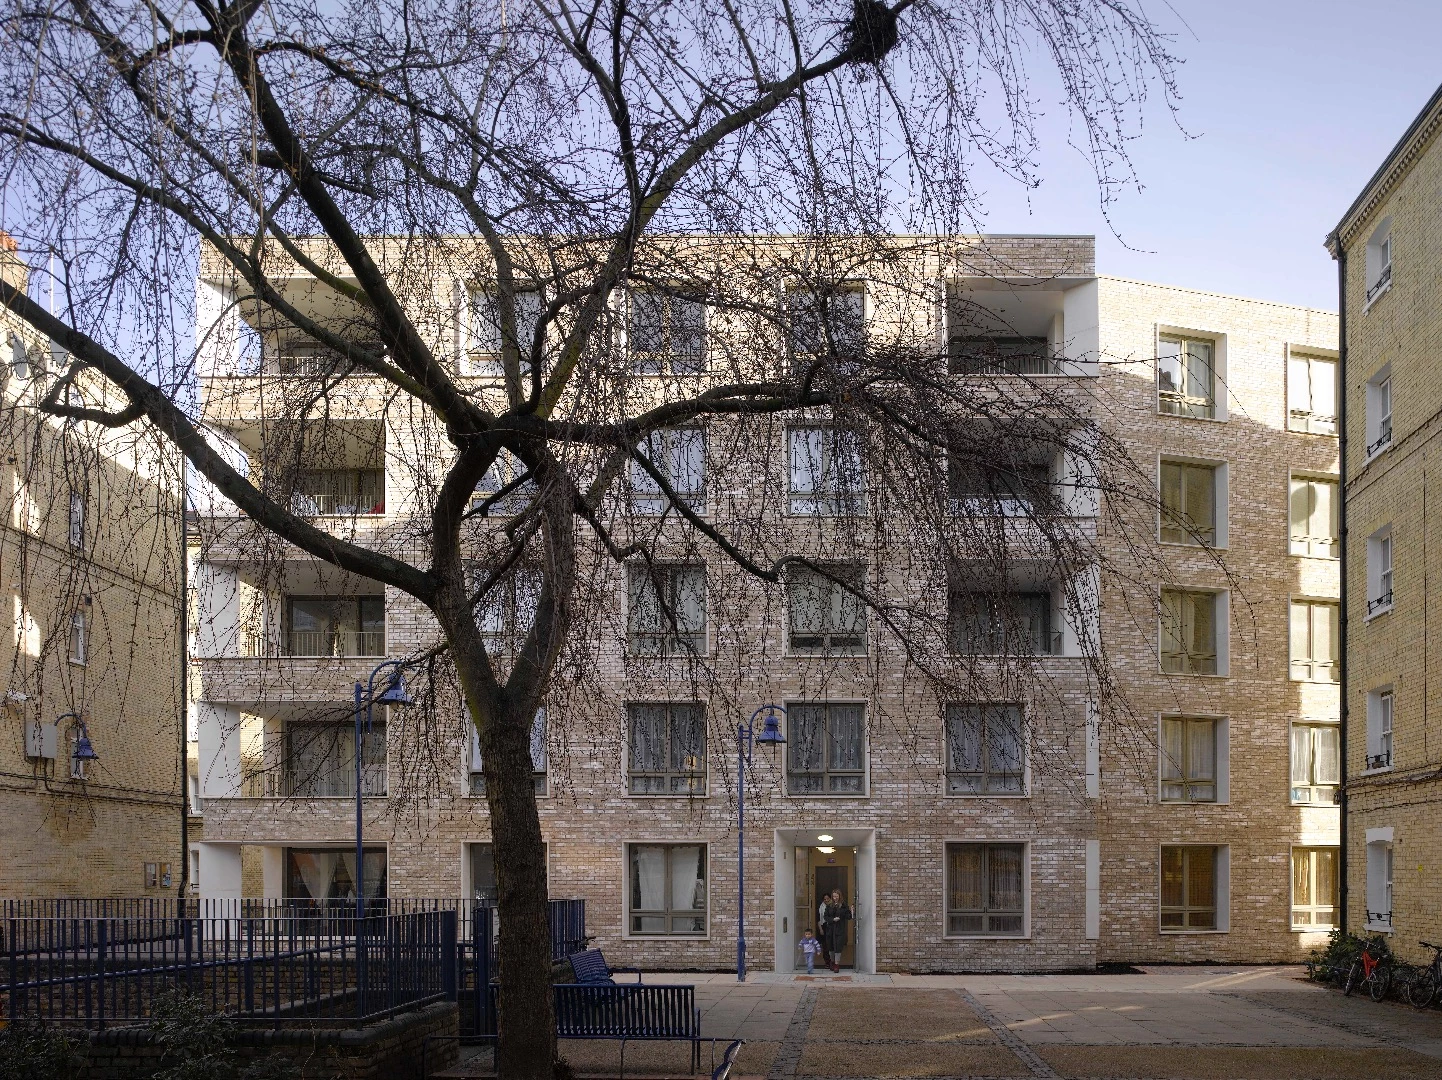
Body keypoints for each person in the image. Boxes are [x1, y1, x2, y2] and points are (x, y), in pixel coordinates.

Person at [822, 889, 853, 972]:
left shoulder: (843, 906)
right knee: (831, 947)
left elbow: (848, 917)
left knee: (838, 947)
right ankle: (832, 962)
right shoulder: (829, 905)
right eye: (834, 896)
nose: (835, 898)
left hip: (840, 930)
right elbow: (825, 917)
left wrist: (852, 911)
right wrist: (833, 919)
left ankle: (836, 964)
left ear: (840, 896)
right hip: (830, 930)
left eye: (836, 896)